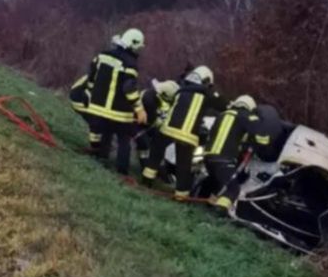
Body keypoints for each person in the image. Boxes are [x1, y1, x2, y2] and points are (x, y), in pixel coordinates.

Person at [142, 66, 229, 200]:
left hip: (168, 129)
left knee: (155, 152)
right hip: (188, 136)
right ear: (205, 81)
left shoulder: (180, 90)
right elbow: (224, 106)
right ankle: (181, 197)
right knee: (184, 167)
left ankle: (146, 181)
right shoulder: (207, 95)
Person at [85, 29, 147, 175]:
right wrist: (139, 108)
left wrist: (91, 96)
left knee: (106, 134)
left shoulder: (102, 55)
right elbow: (128, 88)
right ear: (134, 44)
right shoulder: (130, 64)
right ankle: (122, 171)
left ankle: (102, 160)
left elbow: (92, 77)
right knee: (124, 140)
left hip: (98, 108)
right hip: (119, 112)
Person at [203, 95, 272, 211]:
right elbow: (262, 138)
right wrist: (267, 139)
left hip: (208, 157)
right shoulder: (247, 116)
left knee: (217, 183)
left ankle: (206, 204)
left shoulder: (223, 114)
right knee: (233, 189)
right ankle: (221, 211)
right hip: (224, 160)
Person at [136, 80, 180, 166]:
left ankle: (156, 167)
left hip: (148, 126)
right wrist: (160, 122)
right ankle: (145, 166)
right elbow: (150, 120)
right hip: (138, 124)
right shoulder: (149, 98)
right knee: (144, 145)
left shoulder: (161, 98)